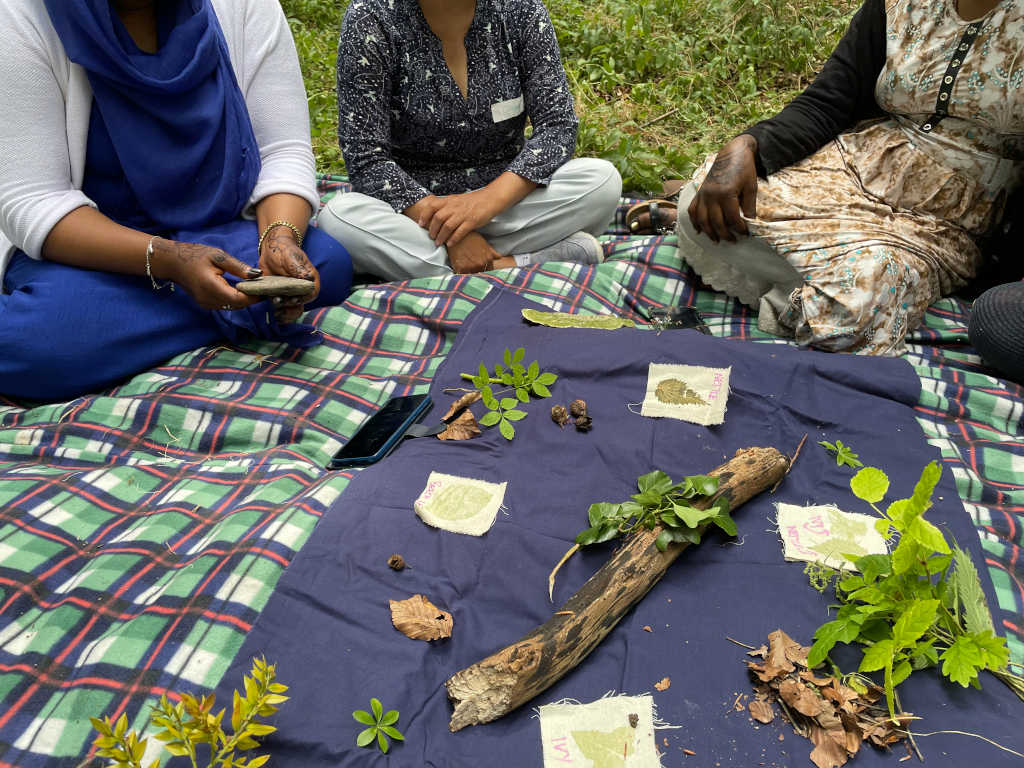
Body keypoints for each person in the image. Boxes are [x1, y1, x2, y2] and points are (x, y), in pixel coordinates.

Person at [0, 0, 354, 401]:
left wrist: (279, 237)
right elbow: (33, 200)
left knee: (325, 262)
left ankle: (140, 327)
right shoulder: (21, 15)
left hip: (218, 233)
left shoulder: (244, 6)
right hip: (94, 255)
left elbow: (283, 149)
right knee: (24, 345)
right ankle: (240, 308)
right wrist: (172, 262)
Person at [679, 0, 1022, 356]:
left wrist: (1002, 278)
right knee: (705, 202)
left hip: (941, 219)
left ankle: (825, 294)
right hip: (850, 167)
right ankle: (814, 295)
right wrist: (749, 145)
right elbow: (827, 101)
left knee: (861, 294)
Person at [317, 0, 623, 282]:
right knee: (339, 217)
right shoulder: (371, 18)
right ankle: (513, 264)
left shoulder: (522, 11)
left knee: (602, 181)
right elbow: (366, 157)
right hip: (415, 214)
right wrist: (453, 231)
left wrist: (484, 204)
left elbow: (557, 127)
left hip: (506, 201)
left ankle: (445, 265)